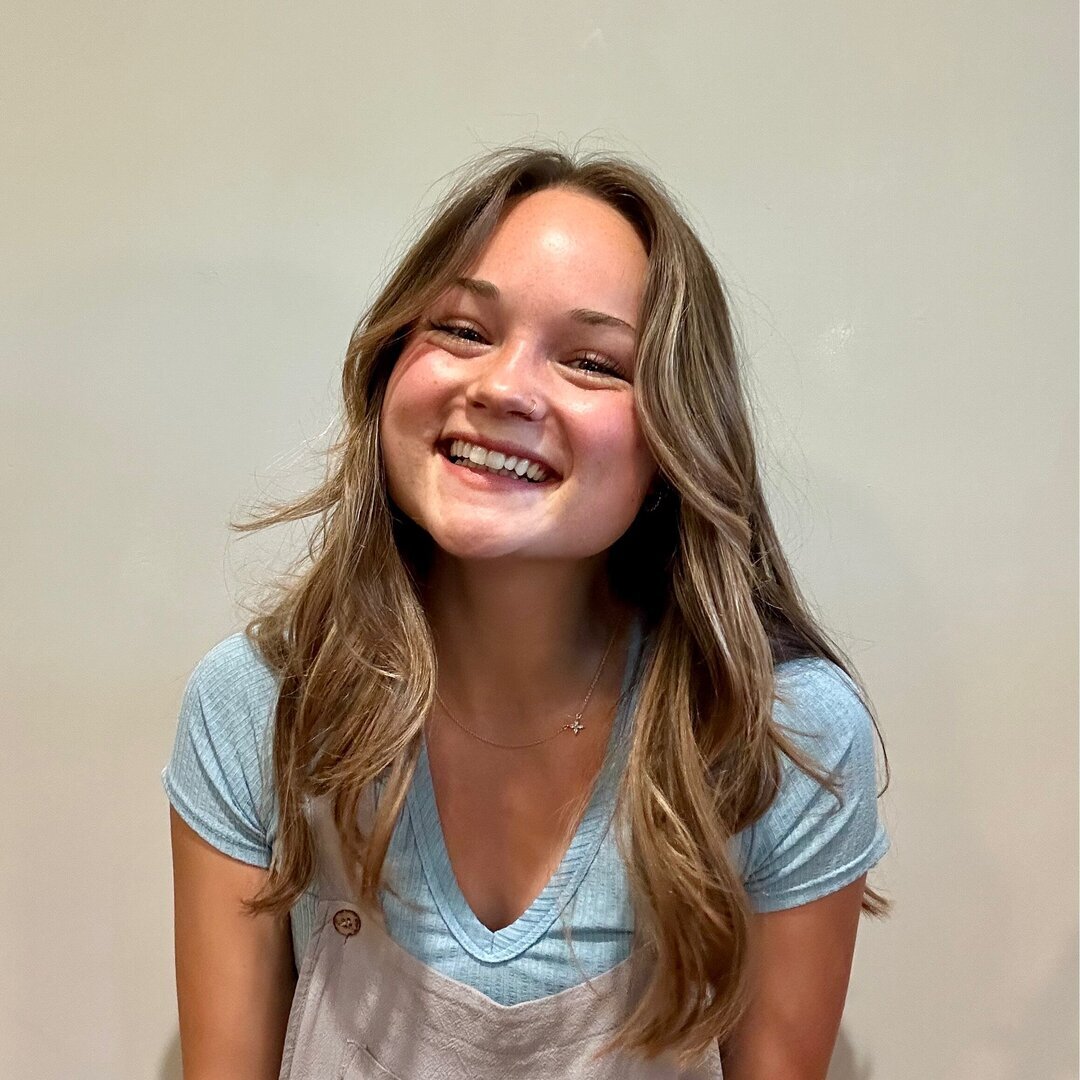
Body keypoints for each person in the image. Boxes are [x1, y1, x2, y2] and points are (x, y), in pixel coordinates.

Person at [163, 145, 892, 1080]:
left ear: (675, 442)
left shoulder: (784, 738)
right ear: (387, 370)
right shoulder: (256, 707)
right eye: (463, 330)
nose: (504, 388)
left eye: (591, 362)